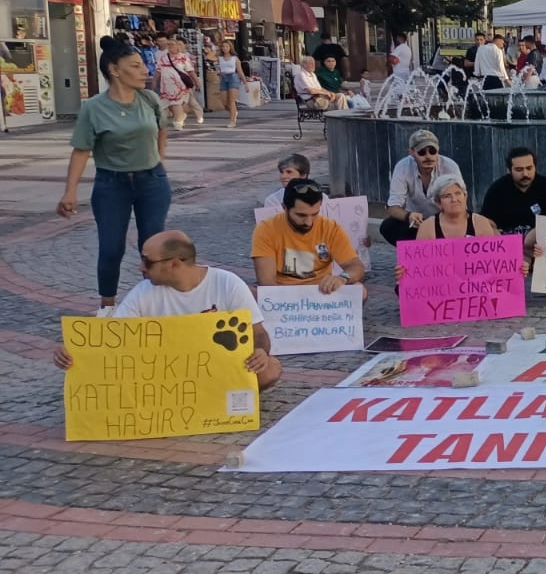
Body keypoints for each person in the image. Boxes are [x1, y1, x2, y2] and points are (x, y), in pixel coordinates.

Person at [53, 230, 282, 390]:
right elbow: (113, 336)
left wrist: (260, 352)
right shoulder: (143, 292)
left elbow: (258, 333)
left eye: (147, 262)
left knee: (269, 370)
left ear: (174, 264)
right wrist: (75, 349)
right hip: (167, 375)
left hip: (215, 368)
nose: (140, 268)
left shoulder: (227, 283)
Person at [58, 37, 173, 311]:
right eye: (135, 66)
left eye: (143, 65)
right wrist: (70, 191)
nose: (144, 70)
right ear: (114, 70)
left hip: (152, 182)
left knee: (153, 248)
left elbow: (162, 129)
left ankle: (153, 305)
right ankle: (107, 308)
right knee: (111, 249)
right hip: (112, 185)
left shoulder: (149, 99)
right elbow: (81, 150)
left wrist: (160, 159)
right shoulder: (94, 107)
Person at [252, 179, 367, 296]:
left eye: (314, 214)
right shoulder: (266, 229)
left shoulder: (331, 228)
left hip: (322, 291)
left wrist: (343, 277)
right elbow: (267, 282)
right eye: (301, 215)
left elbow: (356, 266)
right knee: (249, 293)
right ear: (284, 207)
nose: (309, 222)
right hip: (283, 293)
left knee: (360, 290)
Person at [381, 130, 463, 244]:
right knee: (388, 226)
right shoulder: (402, 167)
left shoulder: (450, 166)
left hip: (444, 219)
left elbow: (461, 201)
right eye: (422, 152)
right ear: (411, 152)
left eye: (432, 151)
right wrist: (409, 216)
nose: (428, 156)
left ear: (438, 151)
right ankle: (416, 252)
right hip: (416, 222)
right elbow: (392, 207)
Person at [478, 147, 546, 237]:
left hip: (539, 239)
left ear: (535, 167)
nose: (525, 174)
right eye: (519, 170)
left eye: (529, 168)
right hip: (507, 240)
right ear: (509, 170)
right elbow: (486, 221)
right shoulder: (497, 189)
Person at [416, 174, 500, 240]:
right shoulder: (427, 228)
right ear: (438, 202)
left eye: (458, 193)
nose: (454, 199)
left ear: (465, 196)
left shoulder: (481, 223)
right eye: (447, 196)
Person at [155, 37, 203, 129]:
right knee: (169, 105)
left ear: (177, 46)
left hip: (180, 85)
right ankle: (180, 116)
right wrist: (154, 81)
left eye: (172, 44)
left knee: (176, 103)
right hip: (166, 86)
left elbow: (190, 71)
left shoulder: (183, 57)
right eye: (168, 44)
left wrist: (196, 81)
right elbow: (158, 71)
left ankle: (178, 122)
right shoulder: (163, 58)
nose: (170, 46)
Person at [215, 39, 242, 129]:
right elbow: (209, 56)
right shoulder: (219, 58)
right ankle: (234, 112)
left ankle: (232, 121)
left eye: (227, 46)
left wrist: (245, 83)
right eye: (223, 46)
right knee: (224, 102)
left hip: (232, 77)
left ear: (230, 47)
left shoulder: (235, 58)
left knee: (231, 100)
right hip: (223, 77)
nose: (225, 48)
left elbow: (240, 71)